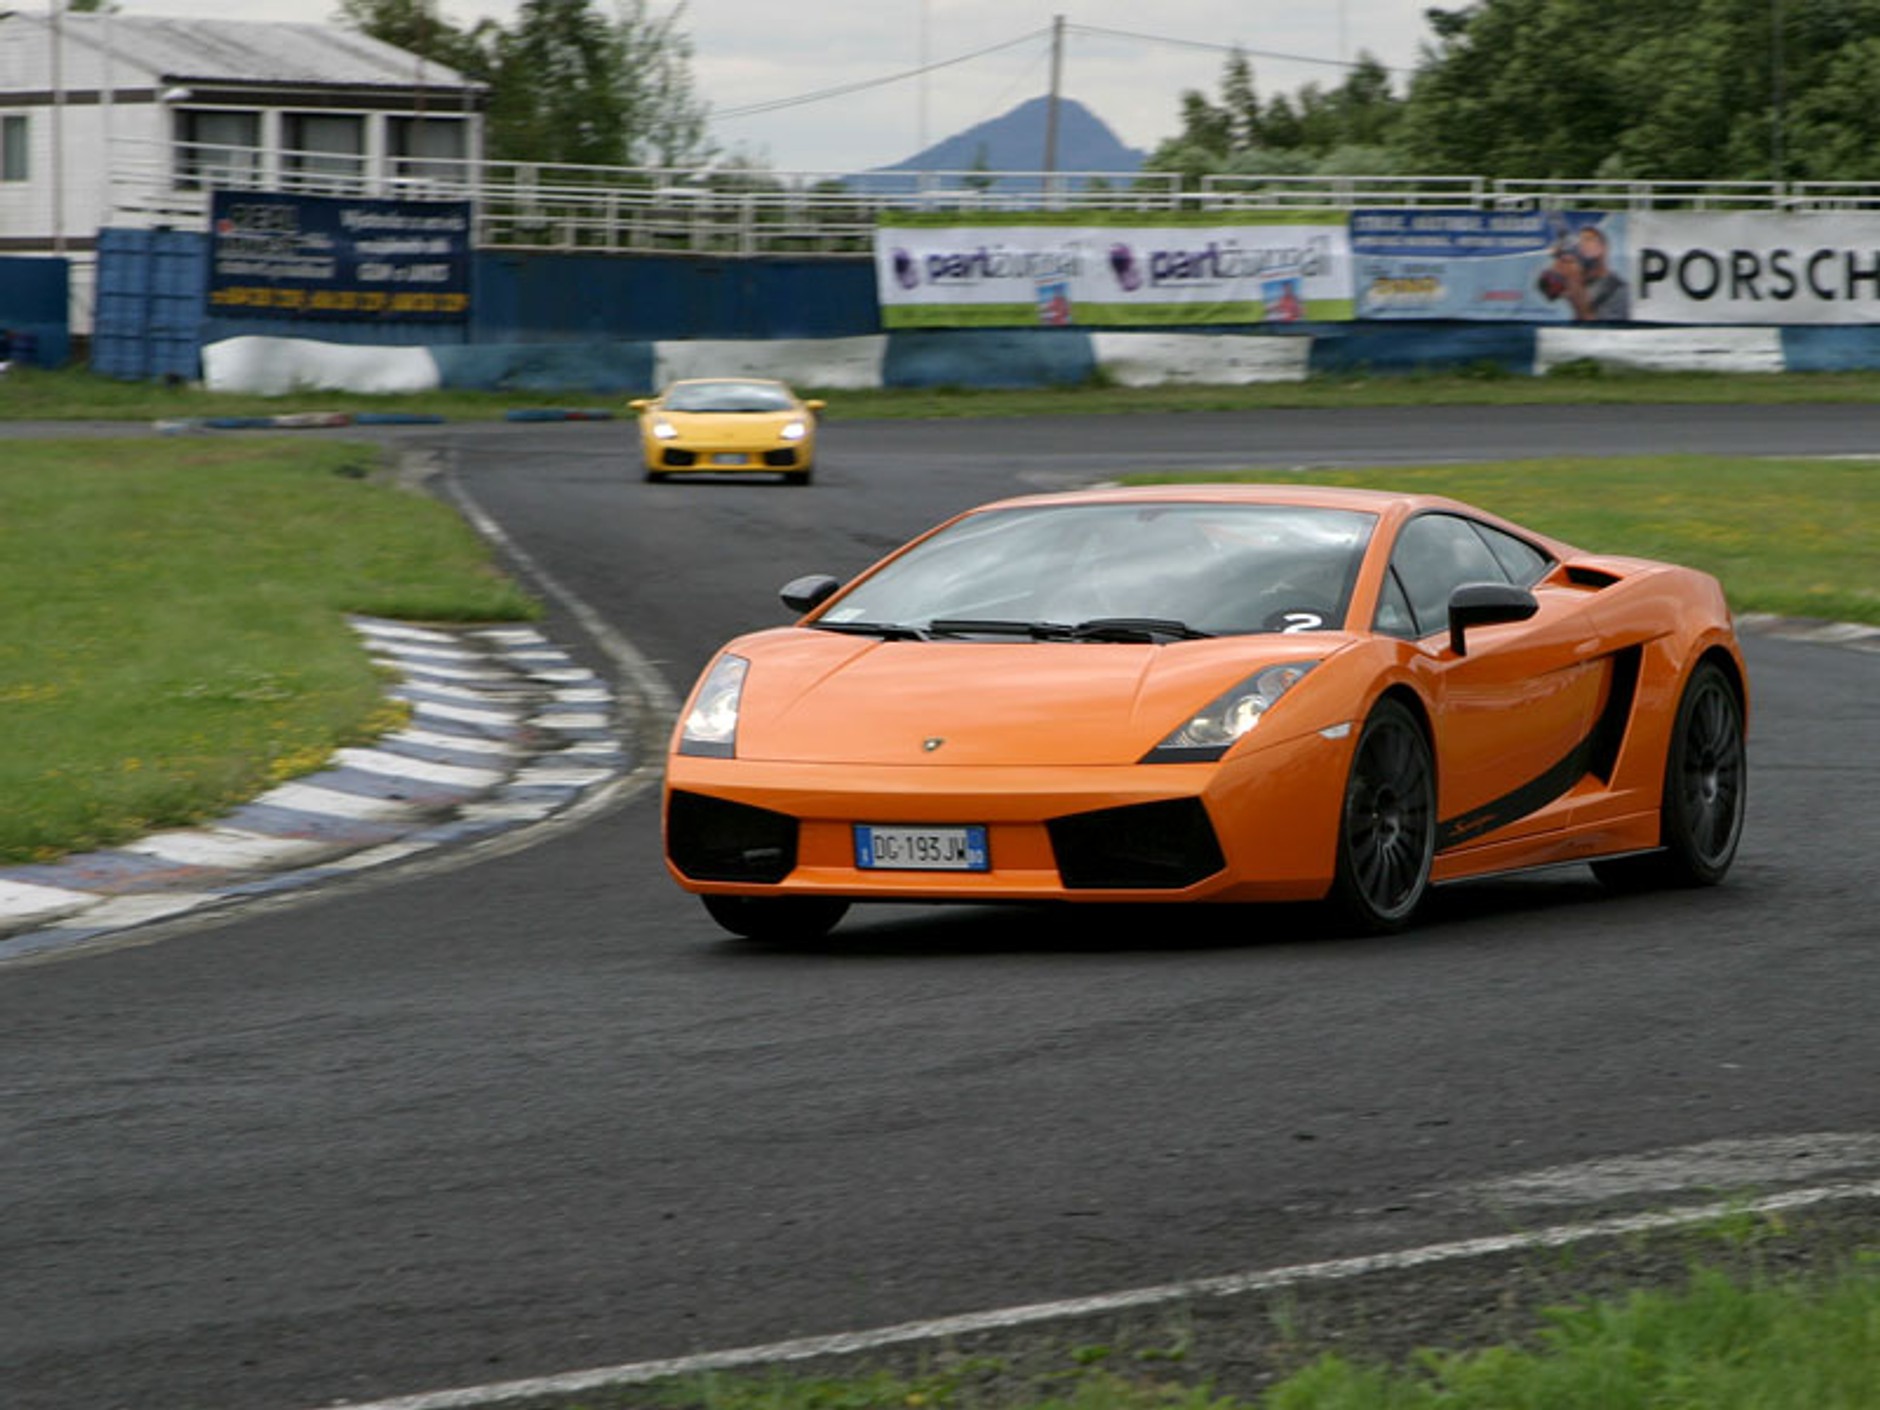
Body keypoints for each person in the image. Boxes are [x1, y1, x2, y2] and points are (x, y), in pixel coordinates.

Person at [1547, 224, 1629, 321]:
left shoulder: (1619, 289)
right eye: (1580, 242)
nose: (1583, 246)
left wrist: (1575, 285)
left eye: (1589, 240)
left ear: (1604, 248)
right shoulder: (1580, 279)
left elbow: (1598, 328)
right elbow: (1548, 290)